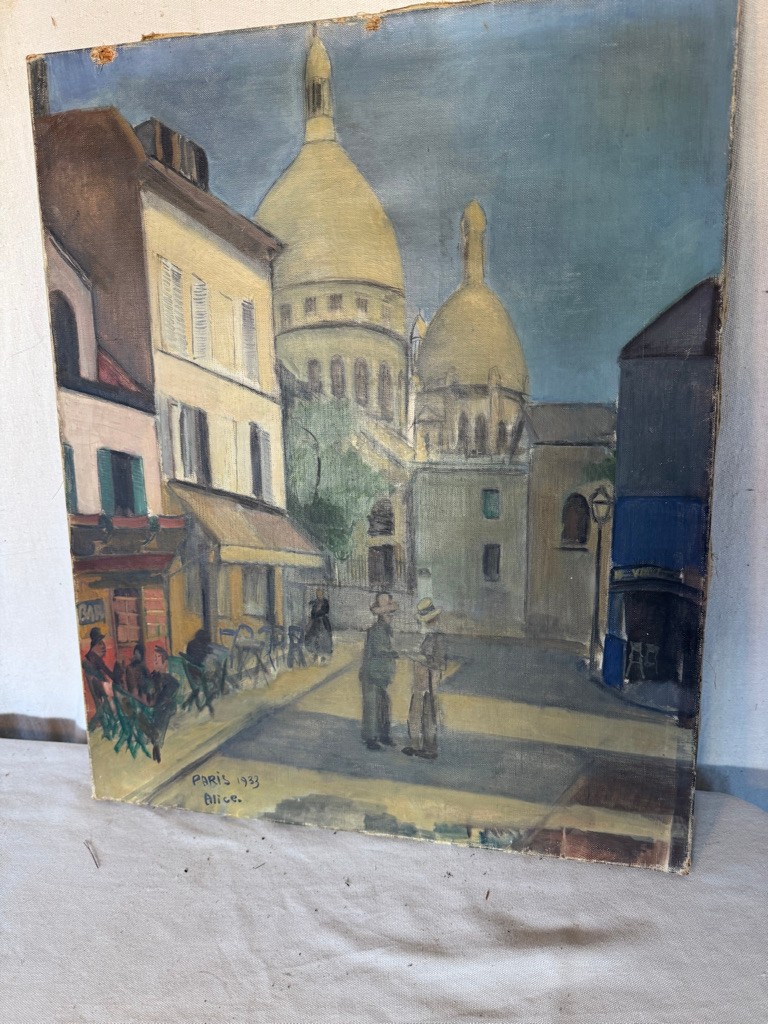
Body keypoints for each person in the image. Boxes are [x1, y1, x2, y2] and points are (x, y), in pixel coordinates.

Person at [402, 599, 447, 760]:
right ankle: (416, 745)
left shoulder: (438, 638)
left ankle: (429, 749)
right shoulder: (429, 636)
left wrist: (421, 659)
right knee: (416, 712)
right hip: (420, 681)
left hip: (429, 681)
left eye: (430, 620)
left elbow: (439, 663)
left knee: (429, 714)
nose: (427, 623)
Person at [359, 592, 399, 750]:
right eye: (389, 614)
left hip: (380, 674)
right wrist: (394, 653)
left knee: (383, 704)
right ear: (382, 616)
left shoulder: (386, 629)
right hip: (372, 674)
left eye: (391, 614)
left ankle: (384, 735)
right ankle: (371, 739)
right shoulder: (377, 630)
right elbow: (379, 650)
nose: (391, 617)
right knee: (372, 707)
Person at [139, 647, 180, 763]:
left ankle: (156, 742)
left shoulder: (171, 681)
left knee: (163, 710)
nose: (155, 660)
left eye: (158, 658)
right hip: (151, 705)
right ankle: (154, 739)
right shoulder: (151, 677)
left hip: (163, 707)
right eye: (154, 658)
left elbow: (167, 695)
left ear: (165, 662)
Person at [82, 627, 116, 702]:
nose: (104, 646)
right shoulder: (94, 659)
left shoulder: (91, 658)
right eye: (100, 643)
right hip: (102, 696)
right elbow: (110, 675)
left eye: (102, 643)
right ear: (94, 646)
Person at [305, 588, 333, 664]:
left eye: (320, 594)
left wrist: (318, 611)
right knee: (313, 638)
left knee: (324, 639)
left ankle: (323, 656)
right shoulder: (314, 602)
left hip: (323, 622)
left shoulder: (325, 602)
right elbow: (312, 613)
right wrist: (310, 622)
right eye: (317, 594)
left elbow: (325, 611)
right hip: (315, 623)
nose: (318, 595)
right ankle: (316, 654)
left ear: (322, 594)